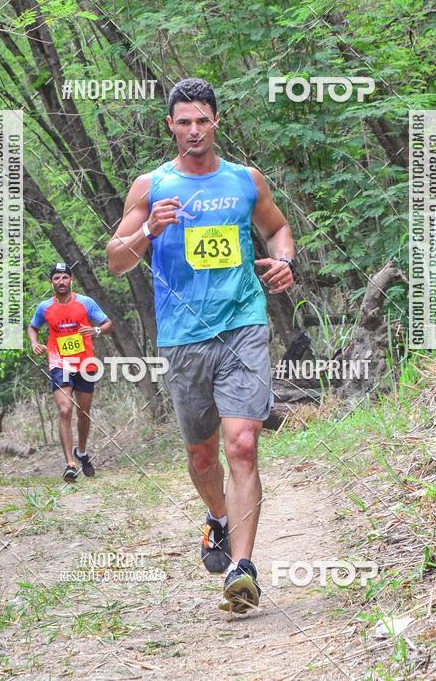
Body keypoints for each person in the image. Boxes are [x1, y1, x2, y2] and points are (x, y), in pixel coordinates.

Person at [106, 78, 296, 613]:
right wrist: (148, 231)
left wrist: (285, 261)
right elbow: (116, 260)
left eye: (203, 121)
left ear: (216, 122)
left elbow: (278, 229)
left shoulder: (244, 180)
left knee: (243, 443)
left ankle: (242, 568)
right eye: (184, 122)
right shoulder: (151, 186)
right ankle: (217, 517)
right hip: (183, 338)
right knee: (202, 453)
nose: (194, 130)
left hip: (243, 325)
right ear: (170, 125)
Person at [28, 263, 113, 482]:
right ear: (51, 282)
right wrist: (34, 343)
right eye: (57, 278)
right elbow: (33, 327)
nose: (61, 282)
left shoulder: (86, 303)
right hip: (59, 362)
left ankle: (81, 452)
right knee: (65, 410)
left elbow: (108, 324)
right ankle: (70, 464)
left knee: (83, 413)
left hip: (85, 363)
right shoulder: (45, 307)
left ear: (71, 280)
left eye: (65, 277)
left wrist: (95, 330)